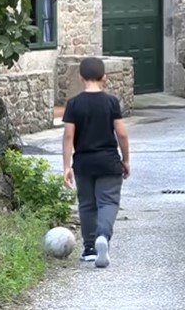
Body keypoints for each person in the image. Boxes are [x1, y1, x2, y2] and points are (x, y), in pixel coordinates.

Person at [62, 57, 131, 268]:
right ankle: (103, 236)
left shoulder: (74, 104)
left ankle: (90, 248)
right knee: (108, 202)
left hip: (83, 163)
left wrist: (66, 166)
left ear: (81, 77)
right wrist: (126, 159)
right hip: (109, 162)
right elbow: (122, 134)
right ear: (104, 78)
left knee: (87, 204)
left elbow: (68, 136)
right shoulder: (111, 102)